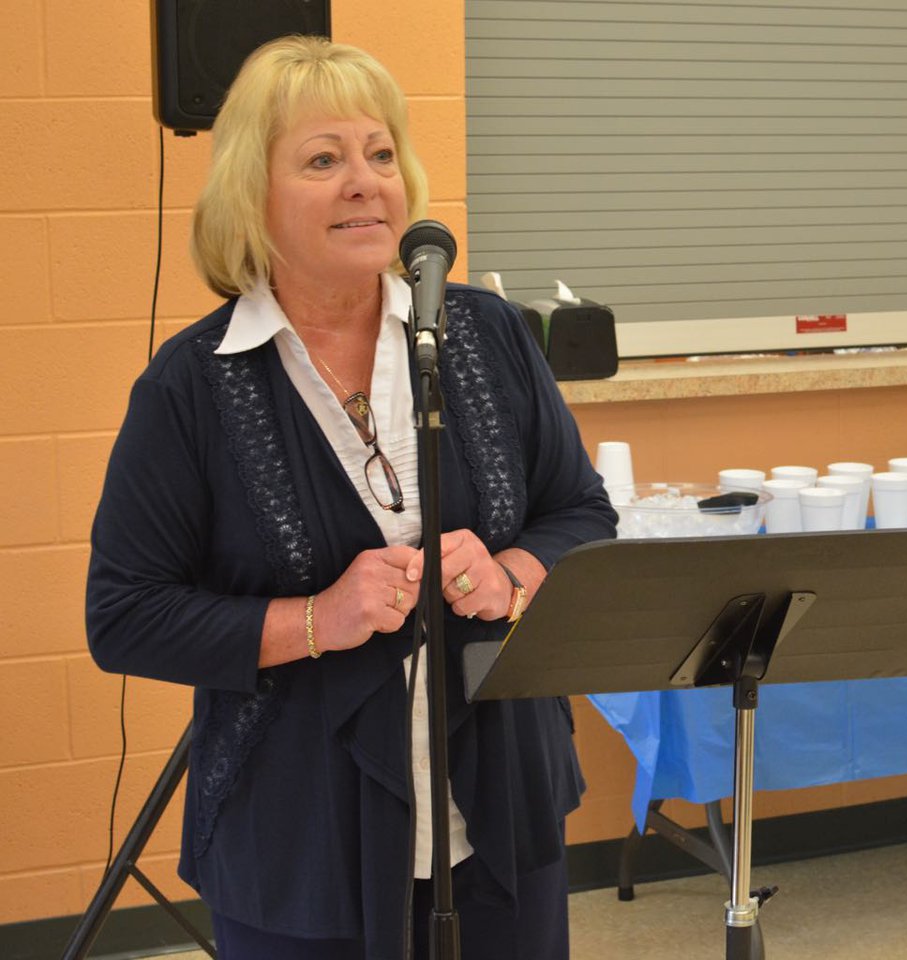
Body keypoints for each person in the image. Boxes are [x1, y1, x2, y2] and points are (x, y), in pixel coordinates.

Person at [86, 35, 616, 960]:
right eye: (323, 160)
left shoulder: (487, 335)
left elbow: (581, 514)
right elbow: (125, 615)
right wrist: (318, 619)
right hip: (298, 831)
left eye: (379, 154)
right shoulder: (190, 387)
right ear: (253, 196)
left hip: (501, 800)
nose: (364, 181)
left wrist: (512, 576)